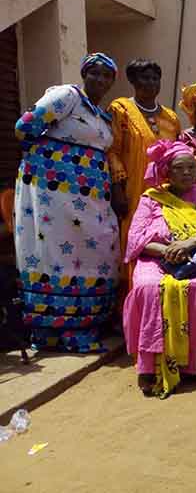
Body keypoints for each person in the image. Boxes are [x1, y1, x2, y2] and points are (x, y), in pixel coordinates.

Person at [14, 53, 119, 352]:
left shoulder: (101, 113)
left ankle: (82, 327)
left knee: (96, 252)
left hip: (90, 199)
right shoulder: (67, 96)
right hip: (55, 197)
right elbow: (25, 127)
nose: (100, 80)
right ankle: (52, 331)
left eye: (106, 75)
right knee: (53, 256)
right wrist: (53, 162)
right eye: (94, 73)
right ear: (84, 74)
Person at [122, 140, 196, 397]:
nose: (187, 173)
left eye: (191, 168)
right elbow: (135, 238)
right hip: (157, 258)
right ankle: (151, 365)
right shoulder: (151, 198)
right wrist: (166, 250)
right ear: (166, 170)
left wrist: (191, 243)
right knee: (147, 288)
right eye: (180, 168)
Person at [108, 59, 181, 310]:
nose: (150, 83)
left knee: (162, 244)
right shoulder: (120, 110)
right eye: (144, 78)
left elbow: (178, 154)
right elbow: (113, 150)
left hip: (165, 196)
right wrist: (117, 188)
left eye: (154, 78)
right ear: (133, 81)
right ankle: (128, 310)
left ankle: (161, 307)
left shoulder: (170, 117)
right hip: (133, 191)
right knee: (131, 243)